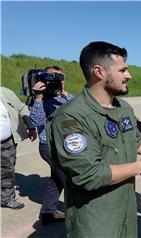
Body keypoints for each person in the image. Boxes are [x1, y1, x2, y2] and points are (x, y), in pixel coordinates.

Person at [46, 41, 141, 238]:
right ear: (99, 72)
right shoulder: (70, 118)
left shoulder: (123, 108)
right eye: (123, 70)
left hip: (126, 214)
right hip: (95, 221)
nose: (129, 75)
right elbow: (90, 174)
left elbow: (134, 141)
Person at [29, 66, 74, 225]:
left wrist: (64, 93)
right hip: (49, 146)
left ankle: (48, 213)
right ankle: (79, 214)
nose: (56, 83)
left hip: (65, 145)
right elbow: (35, 121)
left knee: (57, 179)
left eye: (59, 79)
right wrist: (39, 97)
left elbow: (80, 107)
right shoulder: (38, 99)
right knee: (70, 179)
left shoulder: (65, 97)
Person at [1, 87, 37, 209]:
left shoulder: (5, 92)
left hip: (7, 141)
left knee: (7, 170)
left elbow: (22, 109)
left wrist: (30, 127)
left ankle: (6, 198)